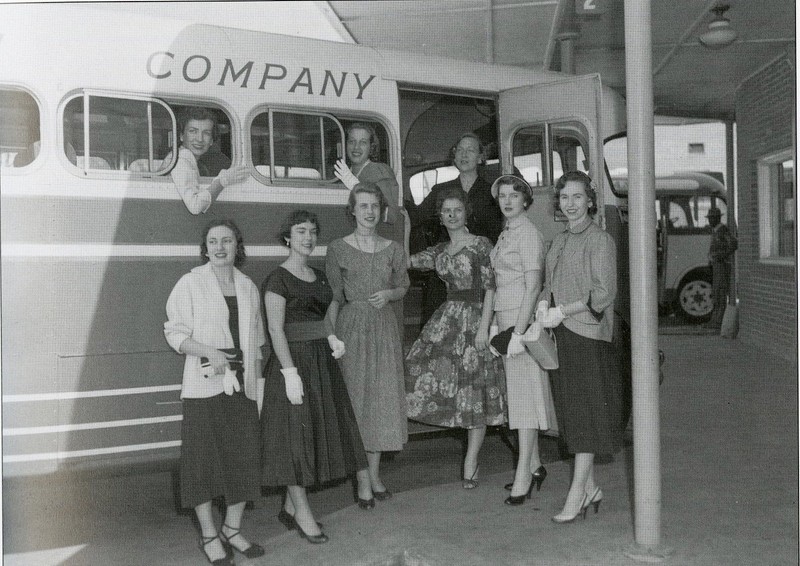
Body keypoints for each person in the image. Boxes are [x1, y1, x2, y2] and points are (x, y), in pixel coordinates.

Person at [261, 210, 369, 544]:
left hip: (321, 362)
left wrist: (331, 337)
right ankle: (303, 511)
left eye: (312, 232)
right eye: (300, 231)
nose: (308, 237)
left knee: (312, 437)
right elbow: (276, 328)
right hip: (292, 364)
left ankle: (290, 506)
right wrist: (289, 371)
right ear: (287, 238)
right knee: (294, 439)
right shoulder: (277, 278)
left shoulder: (320, 276)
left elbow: (323, 318)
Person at [164, 219, 265, 565]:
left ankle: (232, 529)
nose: (220, 247)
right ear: (205, 248)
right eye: (213, 241)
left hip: (242, 386)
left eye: (227, 241)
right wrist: (209, 351)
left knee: (245, 458)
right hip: (204, 388)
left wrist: (257, 377)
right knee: (203, 464)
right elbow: (175, 334)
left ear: (238, 246)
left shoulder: (248, 286)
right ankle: (209, 535)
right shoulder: (191, 283)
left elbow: (258, 339)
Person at [404, 186, 506, 489]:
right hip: (448, 318)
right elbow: (406, 261)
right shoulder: (438, 250)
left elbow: (491, 287)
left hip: (475, 317)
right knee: (424, 374)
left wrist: (484, 328)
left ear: (466, 213)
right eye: (446, 211)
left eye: (457, 210)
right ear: (440, 216)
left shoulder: (480, 245)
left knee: (474, 391)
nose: (451, 215)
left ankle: (471, 461)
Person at [537, 171, 623, 523]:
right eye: (564, 197)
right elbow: (549, 284)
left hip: (587, 335)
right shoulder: (558, 240)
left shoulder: (600, 240)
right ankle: (589, 488)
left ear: (590, 200)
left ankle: (577, 493)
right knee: (572, 415)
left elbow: (603, 294)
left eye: (577, 197)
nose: (570, 204)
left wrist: (563, 311)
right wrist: (544, 306)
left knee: (583, 414)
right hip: (561, 334)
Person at [325, 182, 410, 509]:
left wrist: (389, 294)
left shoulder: (393, 248)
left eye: (374, 206)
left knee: (381, 403)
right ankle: (362, 480)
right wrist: (331, 336)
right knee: (357, 403)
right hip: (352, 328)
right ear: (353, 210)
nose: (370, 212)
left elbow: (403, 285)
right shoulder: (337, 248)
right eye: (363, 206)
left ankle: (374, 476)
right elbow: (333, 296)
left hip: (384, 327)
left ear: (381, 210)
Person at [489, 174, 557, 506]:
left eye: (514, 196)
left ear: (526, 201)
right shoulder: (507, 233)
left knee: (524, 402)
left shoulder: (529, 235)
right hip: (506, 320)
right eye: (502, 196)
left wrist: (516, 333)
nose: (507, 200)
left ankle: (523, 476)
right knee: (518, 396)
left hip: (520, 322)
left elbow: (532, 288)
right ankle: (535, 465)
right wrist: (496, 327)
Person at [407, 133, 504, 325]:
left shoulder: (492, 192)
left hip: (477, 277)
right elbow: (414, 216)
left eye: (470, 150)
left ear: (480, 157)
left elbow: (497, 234)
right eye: (460, 150)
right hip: (445, 275)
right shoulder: (439, 190)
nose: (464, 154)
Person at [170, 107, 248, 215]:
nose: (200, 139)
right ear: (181, 136)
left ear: (211, 140)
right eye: (193, 131)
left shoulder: (187, 158)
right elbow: (195, 206)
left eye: (206, 133)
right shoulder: (183, 157)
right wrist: (223, 181)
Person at [334, 122, 401, 239]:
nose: (356, 147)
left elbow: (391, 216)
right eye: (351, 141)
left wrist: (356, 186)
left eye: (363, 142)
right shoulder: (341, 173)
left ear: (371, 147)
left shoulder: (380, 171)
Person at [705, 207, 737, 329]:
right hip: (716, 265)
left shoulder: (722, 230)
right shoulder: (715, 231)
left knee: (720, 292)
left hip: (722, 265)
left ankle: (719, 321)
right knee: (716, 292)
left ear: (718, 218)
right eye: (709, 218)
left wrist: (721, 256)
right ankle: (715, 320)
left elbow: (734, 243)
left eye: (712, 218)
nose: (710, 221)